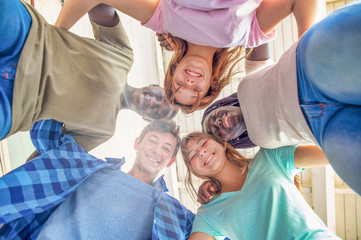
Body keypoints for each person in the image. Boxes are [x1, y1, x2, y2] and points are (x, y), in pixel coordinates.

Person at [201, 2, 361, 195]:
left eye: (212, 118)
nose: (218, 123)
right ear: (232, 142)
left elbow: (256, 24)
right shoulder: (266, 147)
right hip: (323, 127)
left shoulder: (249, 79)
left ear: (221, 105)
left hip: (311, 69)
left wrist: (307, 42)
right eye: (217, 133)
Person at [55, 0, 320, 113]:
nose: (189, 81)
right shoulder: (246, 37)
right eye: (195, 89)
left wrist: (54, 39)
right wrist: (307, 55)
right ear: (211, 85)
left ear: (174, 69)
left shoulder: (162, 20)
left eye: (180, 85)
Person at [0, 0, 176, 153]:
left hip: (14, 105)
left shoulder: (103, 131)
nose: (153, 102)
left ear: (146, 119)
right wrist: (57, 32)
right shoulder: (124, 54)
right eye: (160, 96)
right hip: (26, 36)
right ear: (155, 85)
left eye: (156, 111)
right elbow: (100, 5)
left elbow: (50, 162)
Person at [0, 119, 194, 240]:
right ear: (137, 143)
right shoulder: (86, 166)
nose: (157, 150)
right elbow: (45, 130)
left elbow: (219, 226)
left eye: (166, 148)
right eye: (152, 140)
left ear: (171, 162)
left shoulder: (176, 215)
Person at [180, 132, 340, 239]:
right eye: (192, 155)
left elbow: (335, 152)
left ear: (221, 142)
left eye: (203, 143)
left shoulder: (271, 157)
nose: (201, 152)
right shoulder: (208, 214)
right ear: (193, 169)